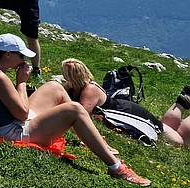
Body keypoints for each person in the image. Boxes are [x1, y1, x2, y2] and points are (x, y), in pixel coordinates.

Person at [0, 34, 150, 185]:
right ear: (8, 54)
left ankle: (90, 136)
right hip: (15, 132)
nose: (24, 60)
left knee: (55, 87)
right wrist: (21, 81)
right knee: (75, 109)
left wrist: (20, 82)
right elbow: (22, 114)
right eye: (21, 55)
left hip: (15, 121)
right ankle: (116, 167)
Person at [62, 59, 190, 148]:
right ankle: (181, 103)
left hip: (128, 112)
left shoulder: (90, 90)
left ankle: (181, 104)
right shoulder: (71, 87)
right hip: (122, 109)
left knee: (179, 141)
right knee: (168, 130)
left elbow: (83, 114)